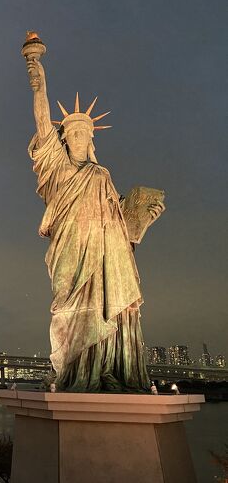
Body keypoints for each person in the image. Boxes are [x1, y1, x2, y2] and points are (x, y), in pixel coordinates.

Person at [25, 57, 164, 392]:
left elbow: (119, 224)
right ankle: (72, 371)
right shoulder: (56, 169)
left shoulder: (101, 175)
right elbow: (43, 121)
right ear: (64, 139)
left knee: (103, 307)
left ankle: (102, 368)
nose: (78, 138)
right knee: (67, 307)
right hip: (69, 249)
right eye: (71, 133)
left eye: (84, 134)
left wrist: (143, 221)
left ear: (90, 140)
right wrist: (39, 79)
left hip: (103, 255)